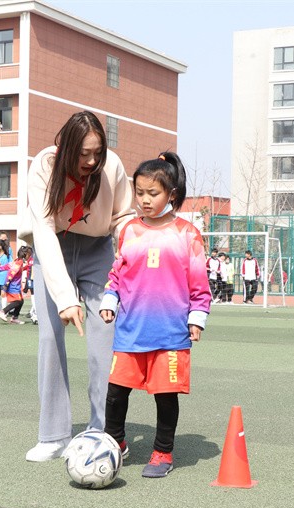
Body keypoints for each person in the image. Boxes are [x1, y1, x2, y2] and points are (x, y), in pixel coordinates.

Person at [20, 110, 135, 462]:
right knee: (49, 337)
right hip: (52, 246)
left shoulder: (112, 166)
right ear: (67, 147)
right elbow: (42, 229)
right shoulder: (44, 165)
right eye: (84, 153)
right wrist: (65, 298)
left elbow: (123, 216)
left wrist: (133, 251)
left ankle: (105, 430)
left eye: (97, 152)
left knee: (105, 336)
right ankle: (53, 435)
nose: (92, 161)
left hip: (98, 250)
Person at [100, 152, 211, 478]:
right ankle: (115, 442)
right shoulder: (129, 230)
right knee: (116, 392)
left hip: (170, 334)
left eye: (153, 193)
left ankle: (163, 452)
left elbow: (199, 283)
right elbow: (117, 274)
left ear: (171, 194)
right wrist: (110, 300)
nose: (145, 200)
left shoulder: (187, 234)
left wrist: (196, 318)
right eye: (140, 192)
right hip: (130, 330)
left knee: (165, 396)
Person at [0, 246, 29, 324]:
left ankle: (14, 318)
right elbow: (12, 272)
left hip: (16, 285)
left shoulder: (17, 261)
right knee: (18, 301)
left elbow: (8, 266)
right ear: (25, 254)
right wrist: (7, 283)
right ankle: (3, 312)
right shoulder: (19, 263)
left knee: (21, 301)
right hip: (13, 285)